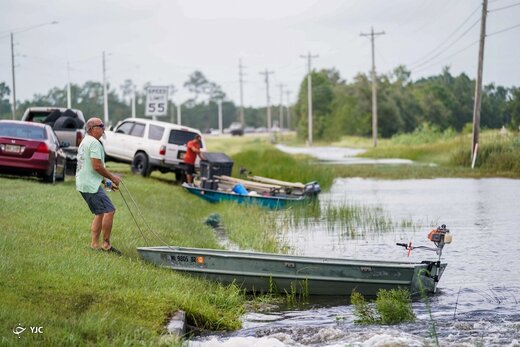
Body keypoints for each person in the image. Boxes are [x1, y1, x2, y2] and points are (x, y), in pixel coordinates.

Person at [76, 117, 122, 255]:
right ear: (92, 129)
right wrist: (113, 178)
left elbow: (91, 168)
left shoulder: (85, 141)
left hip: (84, 183)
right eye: (100, 126)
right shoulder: (94, 143)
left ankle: (94, 244)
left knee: (100, 212)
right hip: (90, 185)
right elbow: (96, 166)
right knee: (110, 210)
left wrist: (107, 184)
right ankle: (106, 245)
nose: (103, 128)